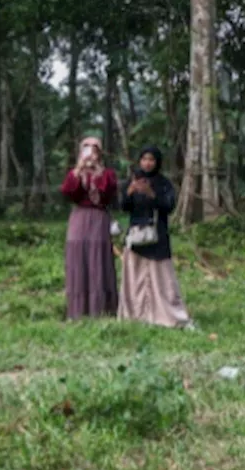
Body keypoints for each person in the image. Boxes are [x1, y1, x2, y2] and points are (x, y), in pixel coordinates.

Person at [118, 146, 193, 329]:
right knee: (135, 276)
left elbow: (169, 206)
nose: (147, 163)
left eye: (151, 159)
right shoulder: (133, 180)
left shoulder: (164, 183)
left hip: (158, 235)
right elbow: (124, 207)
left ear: (157, 162)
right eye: (144, 159)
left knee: (161, 276)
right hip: (137, 236)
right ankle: (136, 313)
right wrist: (130, 192)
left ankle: (167, 313)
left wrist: (151, 194)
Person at [60, 136, 118, 320]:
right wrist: (79, 170)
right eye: (86, 147)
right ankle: (78, 309)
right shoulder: (75, 173)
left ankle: (101, 308)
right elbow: (68, 192)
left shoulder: (107, 173)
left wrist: (97, 173)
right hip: (79, 217)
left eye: (94, 148)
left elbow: (108, 193)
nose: (90, 152)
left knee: (97, 258)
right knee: (78, 257)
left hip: (98, 217)